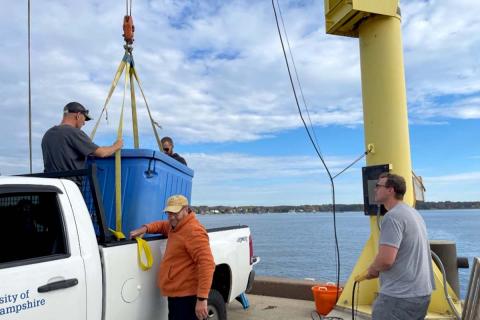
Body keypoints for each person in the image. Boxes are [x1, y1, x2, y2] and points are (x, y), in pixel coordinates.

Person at [129, 195, 215, 320]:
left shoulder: (193, 231)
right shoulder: (176, 225)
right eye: (169, 213)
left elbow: (207, 264)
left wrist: (202, 299)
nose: (171, 216)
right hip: (177, 294)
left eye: (175, 212)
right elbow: (162, 225)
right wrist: (145, 228)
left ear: (186, 209)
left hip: (187, 297)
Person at [365, 173, 435, 320]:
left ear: (390, 190)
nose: (375, 189)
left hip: (399, 297)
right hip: (421, 294)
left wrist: (372, 269)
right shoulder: (413, 213)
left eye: (378, 186)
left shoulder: (393, 217)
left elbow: (385, 260)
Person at [41, 102, 123, 176]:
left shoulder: (48, 134)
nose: (84, 123)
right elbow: (102, 153)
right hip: (70, 186)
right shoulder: (73, 132)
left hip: (51, 187)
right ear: (78, 115)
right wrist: (116, 145)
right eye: (84, 119)